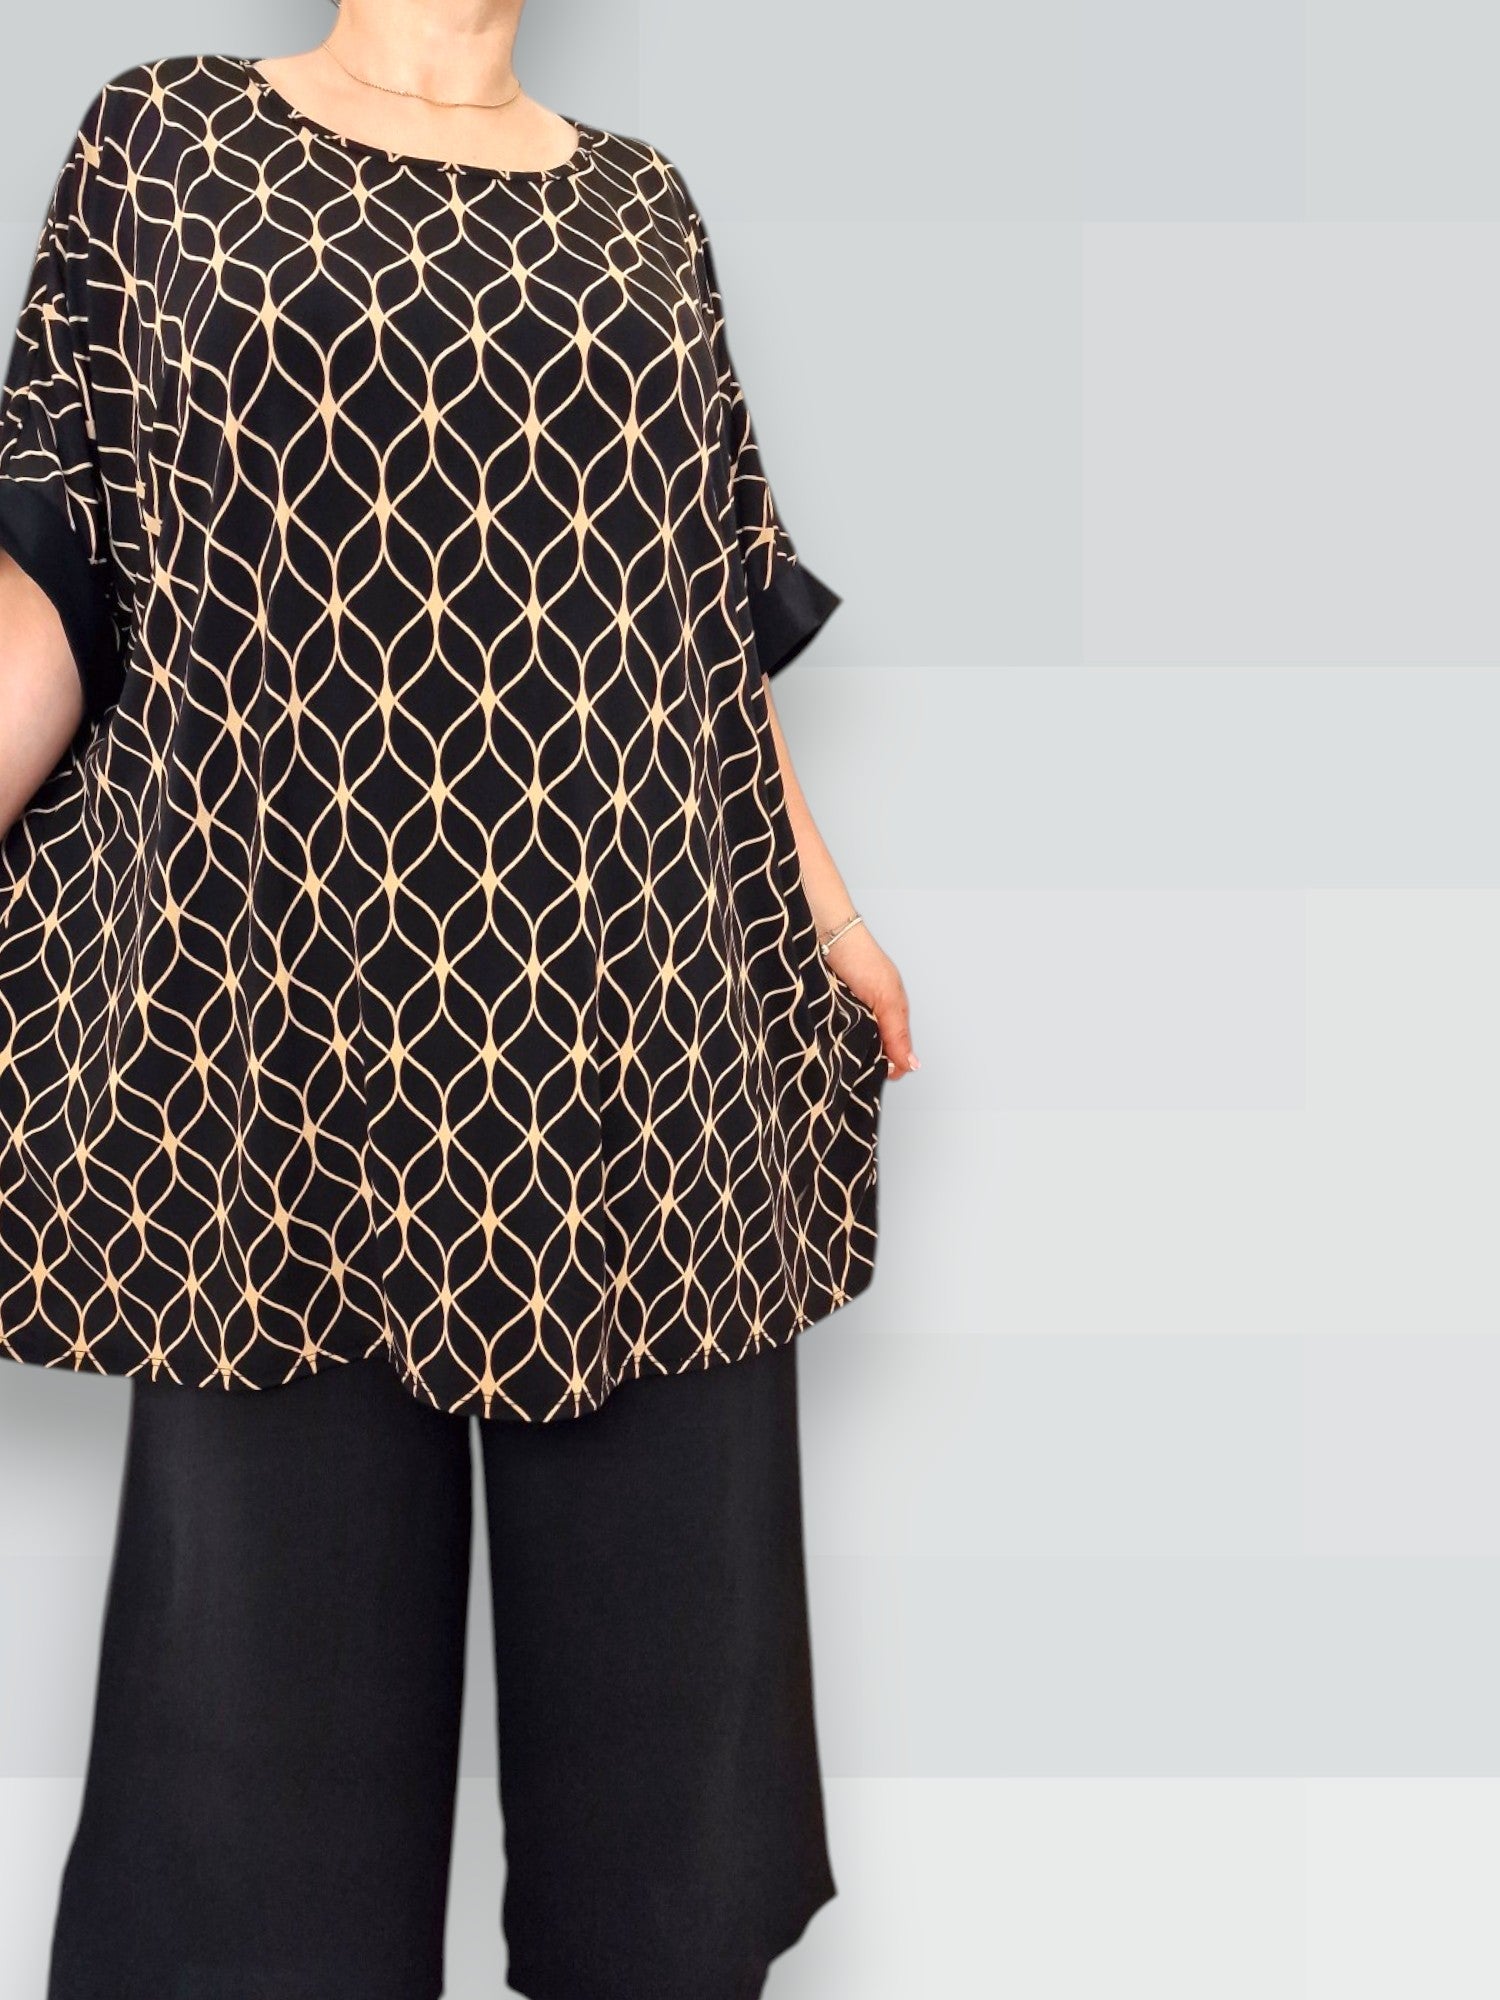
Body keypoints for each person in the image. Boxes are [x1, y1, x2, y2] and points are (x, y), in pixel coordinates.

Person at [0, 3, 919, 1994]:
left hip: (641, 1019)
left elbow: (701, 621)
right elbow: (60, 576)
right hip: (286, 1028)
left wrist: (829, 910)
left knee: (671, 1799)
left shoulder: (643, 211)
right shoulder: (169, 145)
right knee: (253, 1802)